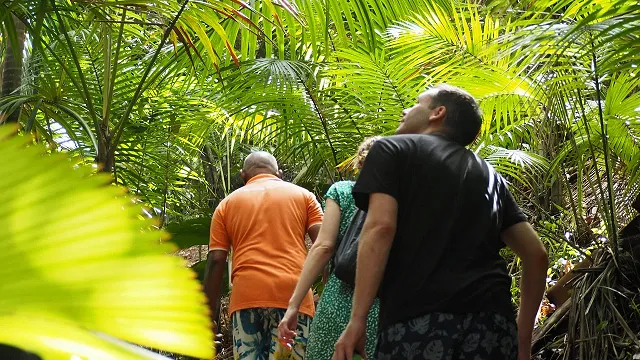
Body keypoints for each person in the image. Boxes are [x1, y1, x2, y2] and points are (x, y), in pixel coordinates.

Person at [332, 84, 549, 360]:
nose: (406, 109)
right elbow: (536, 255)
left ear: (438, 112)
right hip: (492, 324)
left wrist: (358, 320)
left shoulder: (392, 149)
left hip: (417, 322)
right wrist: (522, 341)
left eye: (416, 103)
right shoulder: (489, 174)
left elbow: (380, 228)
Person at [204, 151, 324, 360]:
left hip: (246, 297)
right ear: (278, 173)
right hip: (293, 296)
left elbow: (216, 260)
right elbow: (324, 245)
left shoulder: (226, 204)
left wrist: (206, 317)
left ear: (243, 176)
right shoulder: (305, 196)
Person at [278, 136, 382, 360]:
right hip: (383, 303)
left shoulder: (342, 191)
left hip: (340, 298)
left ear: (359, 164)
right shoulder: (403, 201)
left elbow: (324, 247)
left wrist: (293, 305)